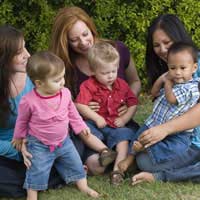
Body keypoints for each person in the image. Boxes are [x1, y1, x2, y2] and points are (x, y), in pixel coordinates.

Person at [49, 6, 141, 175]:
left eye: (85, 34)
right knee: (95, 166)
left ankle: (120, 162)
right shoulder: (64, 65)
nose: (83, 43)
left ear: (91, 28)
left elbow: (135, 81)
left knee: (126, 142)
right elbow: (60, 102)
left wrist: (127, 104)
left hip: (118, 120)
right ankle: (108, 154)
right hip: (92, 127)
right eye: (74, 40)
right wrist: (82, 109)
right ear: (65, 42)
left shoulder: (116, 51)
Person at [12, 51, 100, 199]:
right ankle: (32, 195)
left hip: (64, 142)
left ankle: (83, 186)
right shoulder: (29, 101)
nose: (62, 82)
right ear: (39, 83)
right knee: (37, 170)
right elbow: (21, 121)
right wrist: (19, 137)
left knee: (75, 163)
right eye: (57, 80)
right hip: (40, 145)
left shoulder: (65, 93)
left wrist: (80, 126)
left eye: (62, 77)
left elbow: (73, 113)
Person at [130, 14, 200, 185]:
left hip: (192, 139)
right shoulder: (170, 68)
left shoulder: (193, 65)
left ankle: (163, 176)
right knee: (141, 153)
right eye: (156, 45)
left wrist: (164, 129)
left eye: (167, 43)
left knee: (145, 161)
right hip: (175, 134)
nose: (162, 49)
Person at [0, 24, 64, 198]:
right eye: (19, 52)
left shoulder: (34, 77)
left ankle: (38, 178)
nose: (28, 55)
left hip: (39, 143)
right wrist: (19, 148)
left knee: (69, 146)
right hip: (8, 150)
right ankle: (43, 179)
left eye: (25, 47)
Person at [119, 42, 199, 173]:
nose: (177, 72)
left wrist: (167, 83)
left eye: (183, 68)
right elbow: (154, 92)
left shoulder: (192, 88)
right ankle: (130, 158)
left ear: (194, 68)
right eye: (173, 68)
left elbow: (172, 99)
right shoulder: (172, 80)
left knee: (172, 148)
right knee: (138, 136)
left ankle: (145, 150)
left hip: (178, 134)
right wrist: (162, 78)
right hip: (155, 123)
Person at [75, 42, 138, 185]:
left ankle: (118, 170)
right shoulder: (88, 85)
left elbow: (133, 103)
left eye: (113, 71)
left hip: (116, 124)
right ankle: (104, 151)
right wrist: (95, 117)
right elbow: (80, 104)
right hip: (96, 124)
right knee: (83, 129)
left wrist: (124, 117)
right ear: (92, 71)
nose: (110, 76)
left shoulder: (121, 84)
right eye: (104, 73)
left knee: (123, 137)